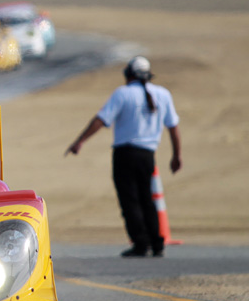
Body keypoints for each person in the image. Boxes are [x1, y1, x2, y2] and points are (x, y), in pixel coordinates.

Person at [65, 56, 182, 257]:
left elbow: (101, 120)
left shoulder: (123, 94)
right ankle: (157, 242)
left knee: (130, 200)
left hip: (125, 155)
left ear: (129, 75)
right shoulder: (163, 94)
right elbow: (173, 127)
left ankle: (140, 243)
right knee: (147, 198)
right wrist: (176, 155)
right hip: (148, 156)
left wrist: (80, 141)